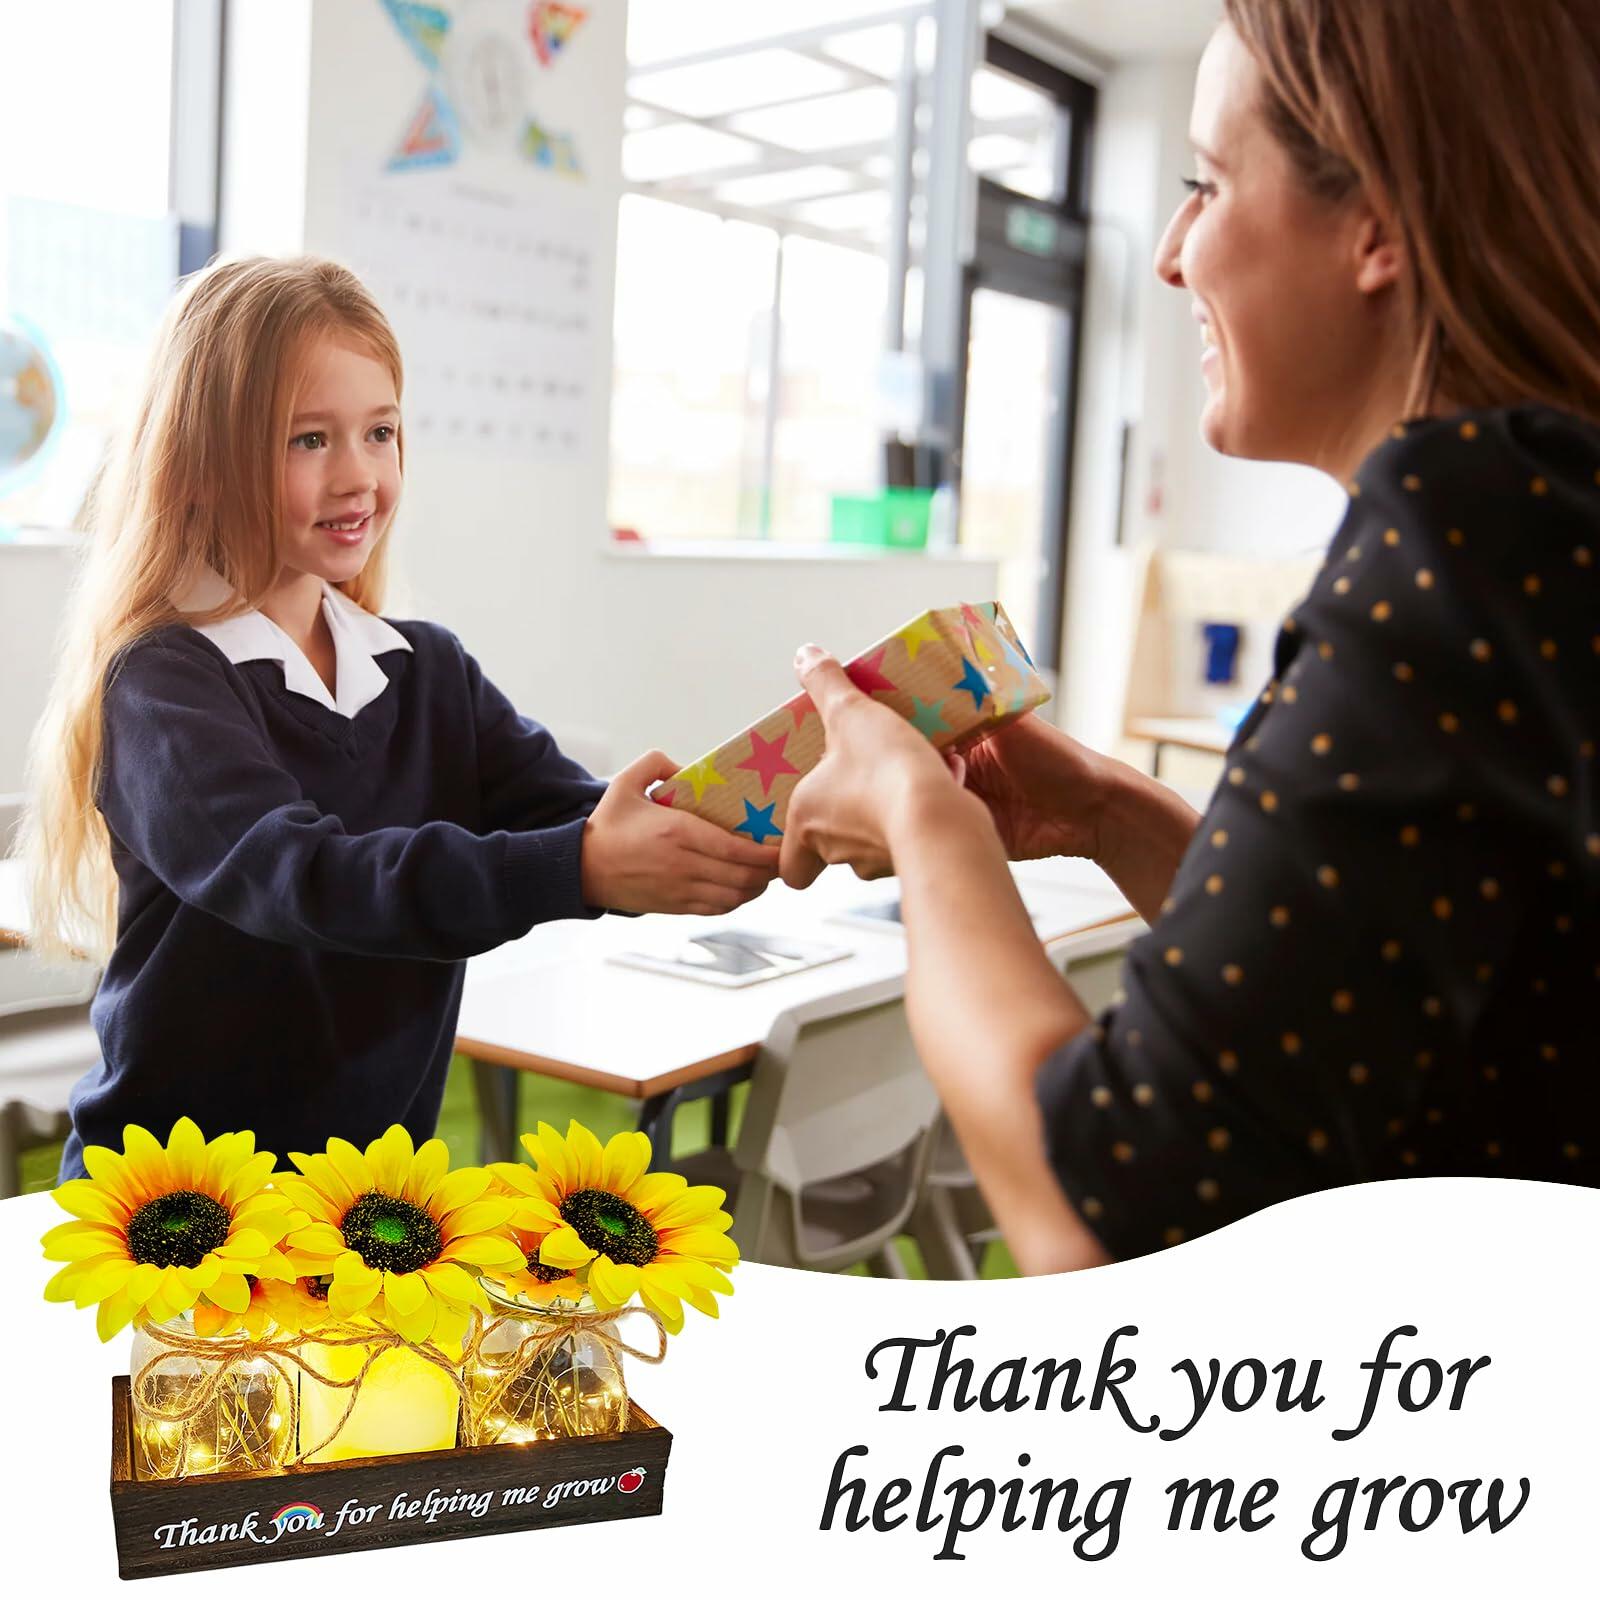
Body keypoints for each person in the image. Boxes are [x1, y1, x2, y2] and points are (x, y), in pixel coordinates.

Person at [777, 0, 1600, 1275]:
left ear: (1377, 220)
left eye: (1204, 184)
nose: (1170, 255)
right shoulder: (1546, 521)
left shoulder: (1464, 536)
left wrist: (914, 812)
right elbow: (1343, 1001)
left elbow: (1106, 1207)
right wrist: (1109, 810)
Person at [24, 255, 779, 1180]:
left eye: (379, 433)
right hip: (181, 1214)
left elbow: (581, 812)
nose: (358, 477)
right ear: (201, 459)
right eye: (309, 440)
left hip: (371, 1204)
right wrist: (581, 865)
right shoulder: (164, 683)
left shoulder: (427, 672)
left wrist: (785, 801)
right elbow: (300, 877)